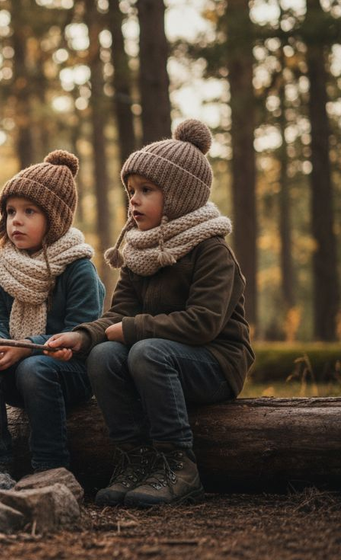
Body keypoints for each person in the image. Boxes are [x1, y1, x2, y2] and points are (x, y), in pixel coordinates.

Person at [47, 119, 253, 508]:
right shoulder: (140, 254)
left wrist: (133, 329)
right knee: (105, 354)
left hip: (216, 363)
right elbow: (118, 315)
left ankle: (179, 465)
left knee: (146, 350)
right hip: (161, 358)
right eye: (130, 191)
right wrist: (84, 336)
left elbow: (203, 322)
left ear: (178, 196)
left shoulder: (211, 251)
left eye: (146, 190)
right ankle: (136, 459)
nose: (134, 200)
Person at [0, 150, 105, 488]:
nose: (16, 220)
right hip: (19, 362)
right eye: (11, 211)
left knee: (35, 368)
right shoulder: (1, 267)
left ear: (54, 219)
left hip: (69, 372)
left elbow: (83, 333)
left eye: (30, 212)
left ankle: (50, 467)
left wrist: (28, 348)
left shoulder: (78, 268)